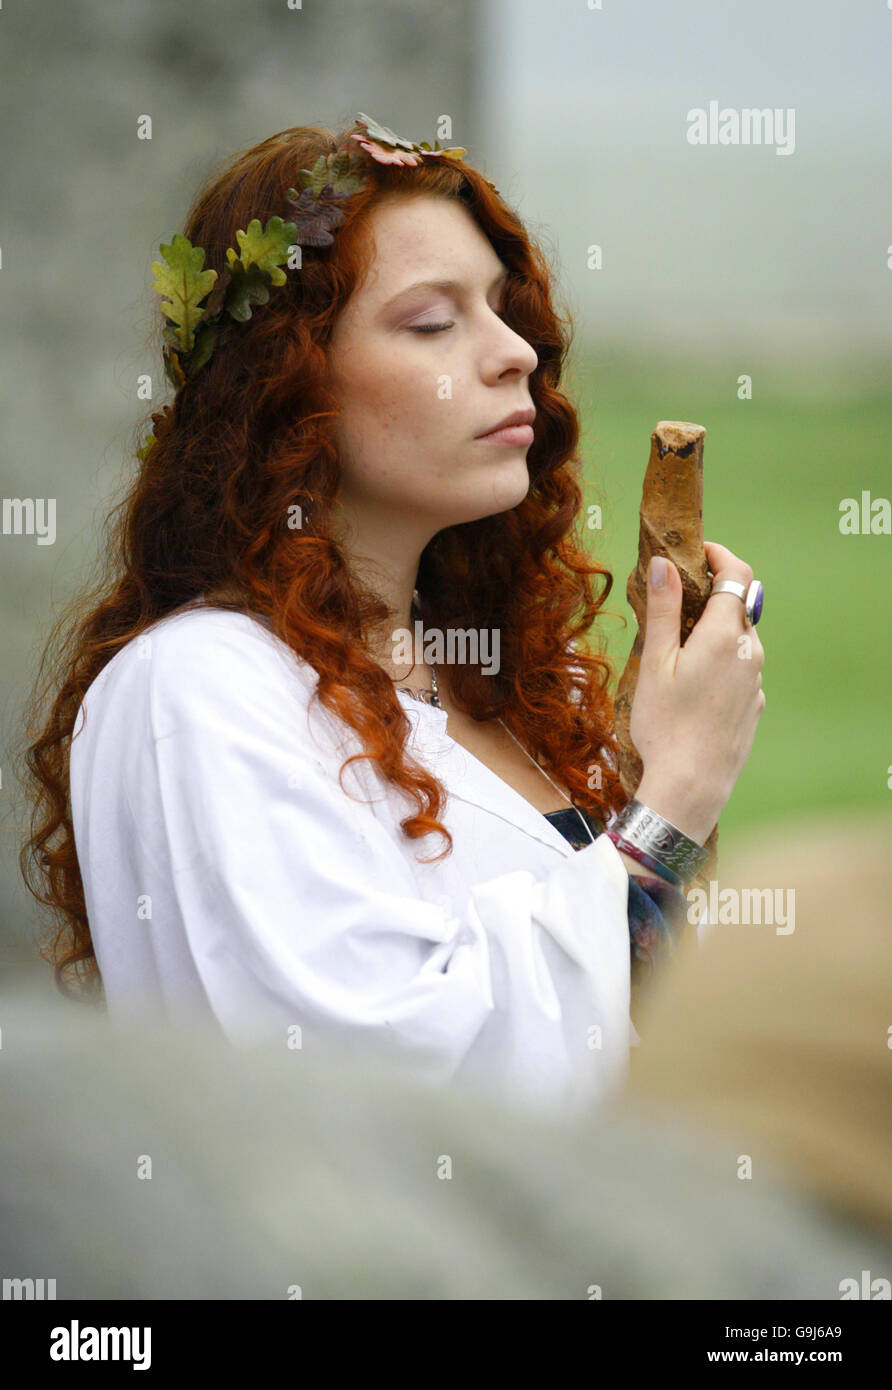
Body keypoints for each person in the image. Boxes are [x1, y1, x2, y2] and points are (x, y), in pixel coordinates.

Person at [18, 112, 765, 1119]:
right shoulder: (201, 687)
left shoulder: (509, 683)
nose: (511, 355)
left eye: (502, 310)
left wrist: (649, 761)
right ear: (289, 383)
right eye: (431, 321)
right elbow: (378, 1094)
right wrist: (673, 806)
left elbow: (642, 1030)